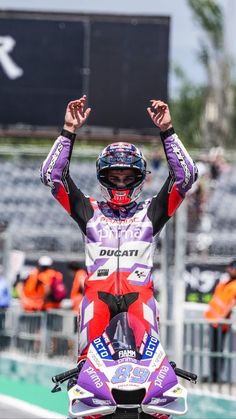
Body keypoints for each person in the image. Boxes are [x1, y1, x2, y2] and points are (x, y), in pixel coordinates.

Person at [41, 95, 197, 358]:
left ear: (139, 179)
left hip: (140, 297)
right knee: (86, 366)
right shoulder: (89, 210)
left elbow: (186, 176)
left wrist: (167, 131)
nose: (121, 184)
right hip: (97, 297)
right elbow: (51, 176)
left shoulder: (151, 211)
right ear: (103, 178)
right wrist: (68, 131)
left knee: (151, 362)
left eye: (128, 177)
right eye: (114, 177)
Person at [204, 259, 236, 382]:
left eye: (231, 267)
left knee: (218, 351)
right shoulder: (225, 282)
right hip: (213, 321)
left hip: (221, 324)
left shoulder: (234, 285)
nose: (229, 269)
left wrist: (221, 318)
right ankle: (213, 375)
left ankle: (216, 376)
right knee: (213, 350)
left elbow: (231, 303)